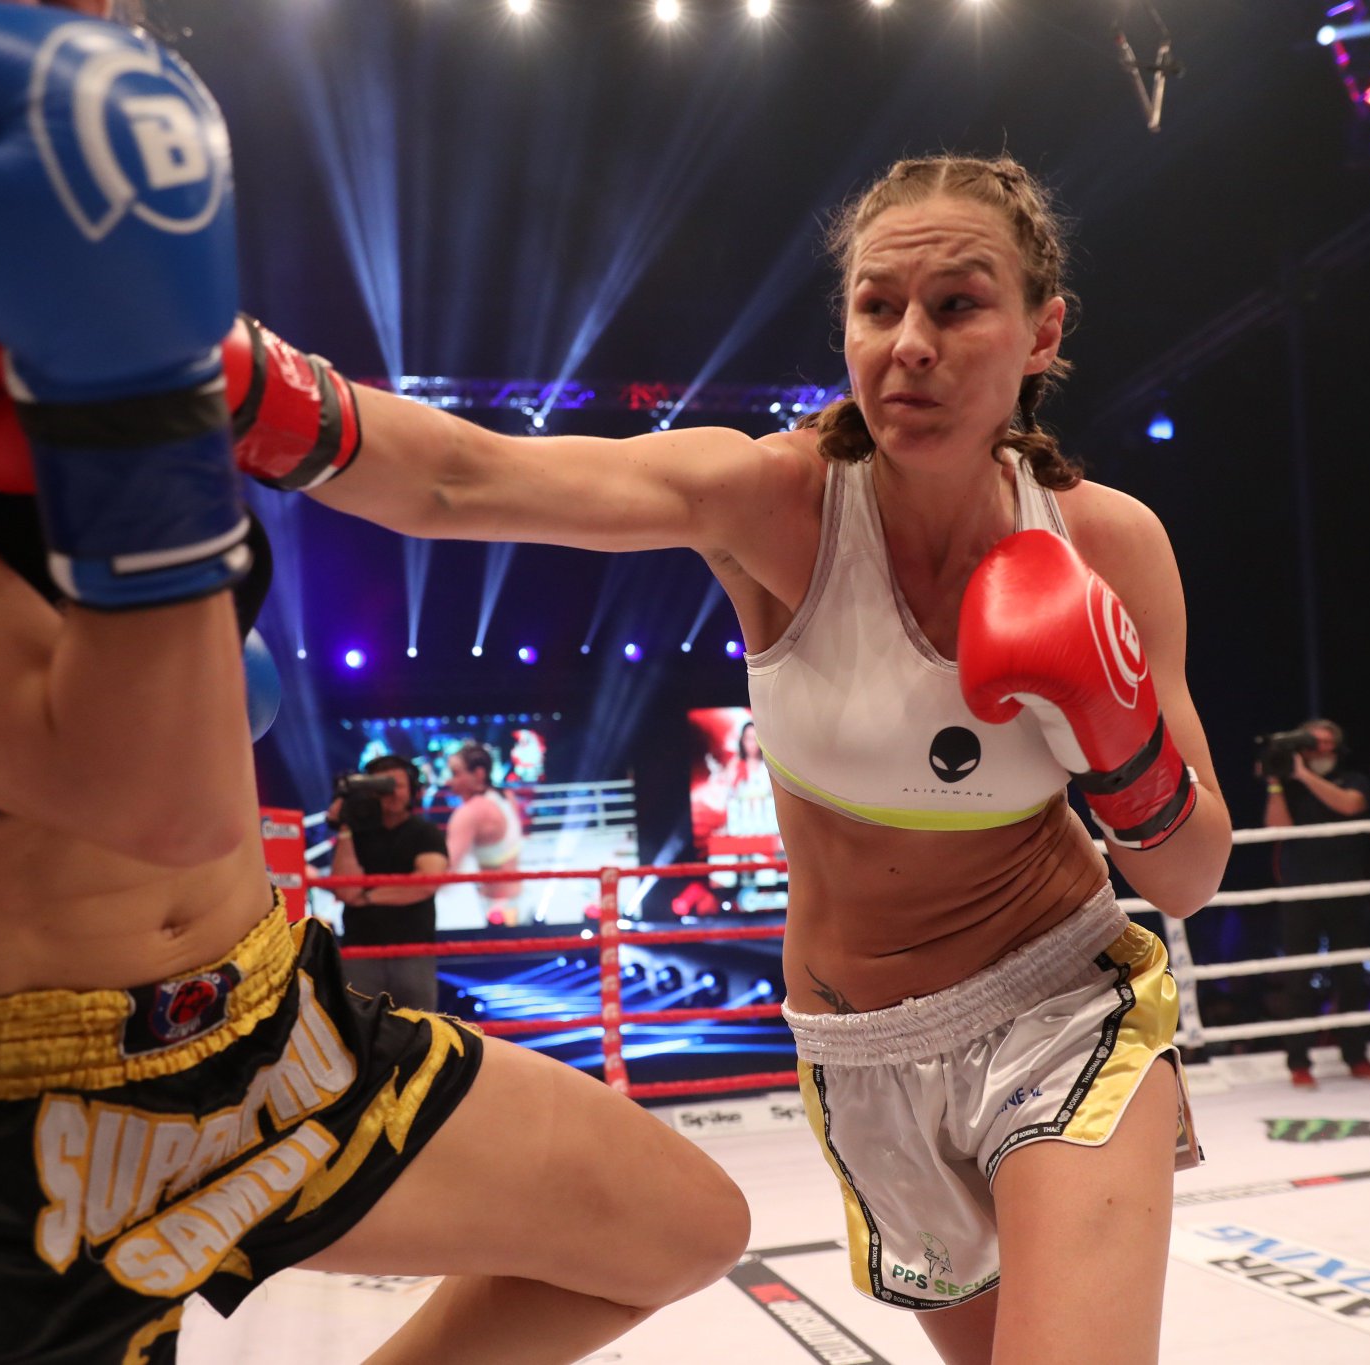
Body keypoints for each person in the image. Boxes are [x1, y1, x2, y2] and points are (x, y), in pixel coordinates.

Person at [0, 4, 745, 1361]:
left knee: (678, 1226)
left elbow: (453, 477)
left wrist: (741, 487)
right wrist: (132, 371)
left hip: (274, 1038)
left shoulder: (121, 306)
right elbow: (159, 800)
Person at [154, 153, 1230, 1363]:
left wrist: (1119, 737)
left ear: (1041, 333)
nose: (909, 345)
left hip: (1060, 1007)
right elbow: (465, 479)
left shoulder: (1103, 543)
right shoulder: (775, 500)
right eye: (877, 307)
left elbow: (1188, 875)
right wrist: (221, 372)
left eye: (956, 305)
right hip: (861, 1055)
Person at [1263, 718, 1370, 1088]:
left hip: (1347, 889)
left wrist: (1304, 776)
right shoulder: (1288, 785)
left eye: (1324, 742)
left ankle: (1357, 1056)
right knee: (1298, 979)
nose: (1318, 748)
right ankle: (1299, 1063)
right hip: (1300, 891)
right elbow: (1277, 829)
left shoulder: (1353, 779)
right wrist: (1276, 781)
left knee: (1352, 977)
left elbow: (1350, 806)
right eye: (1310, 742)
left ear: (1337, 746)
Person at [327, 754, 451, 1006]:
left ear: (412, 789)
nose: (392, 793)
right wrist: (345, 826)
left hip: (413, 950)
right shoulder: (355, 834)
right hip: (360, 950)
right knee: (357, 1026)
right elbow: (345, 890)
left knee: (419, 1027)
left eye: (398, 785)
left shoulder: (425, 833)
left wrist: (367, 896)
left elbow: (425, 884)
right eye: (383, 786)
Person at [443, 741, 529, 927]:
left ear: (479, 774)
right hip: (517, 897)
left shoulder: (469, 813)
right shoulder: (505, 796)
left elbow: (445, 870)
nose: (449, 781)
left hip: (496, 909)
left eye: (455, 773)